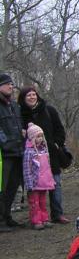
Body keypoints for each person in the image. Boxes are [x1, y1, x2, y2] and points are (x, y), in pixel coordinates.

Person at [18, 85, 70, 224]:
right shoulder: (19, 113)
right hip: (31, 157)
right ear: (23, 98)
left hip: (51, 154)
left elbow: (60, 129)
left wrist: (56, 144)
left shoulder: (49, 110)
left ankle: (57, 214)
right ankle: (37, 217)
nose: (31, 97)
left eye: (33, 94)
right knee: (34, 188)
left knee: (55, 183)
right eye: (28, 95)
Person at [0, 73, 25, 232]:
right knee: (2, 187)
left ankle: (7, 216)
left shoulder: (15, 106)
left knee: (12, 187)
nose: (11, 86)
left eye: (12, 84)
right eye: (8, 84)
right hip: (4, 154)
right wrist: (5, 143)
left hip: (18, 152)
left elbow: (19, 125)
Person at [22, 124, 56, 230]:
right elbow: (27, 169)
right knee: (34, 203)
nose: (40, 138)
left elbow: (47, 168)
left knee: (42, 202)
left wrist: (50, 180)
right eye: (37, 136)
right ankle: (36, 221)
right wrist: (29, 184)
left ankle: (44, 219)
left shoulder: (44, 150)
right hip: (34, 183)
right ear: (32, 137)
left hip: (43, 183)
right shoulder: (29, 152)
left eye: (41, 136)